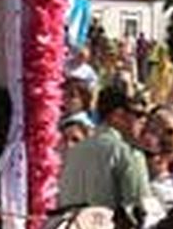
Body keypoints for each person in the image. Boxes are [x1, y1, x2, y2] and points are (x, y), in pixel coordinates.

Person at [55, 85, 152, 216]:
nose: (144, 121)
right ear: (118, 115)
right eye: (138, 114)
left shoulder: (73, 152)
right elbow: (140, 210)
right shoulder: (128, 153)